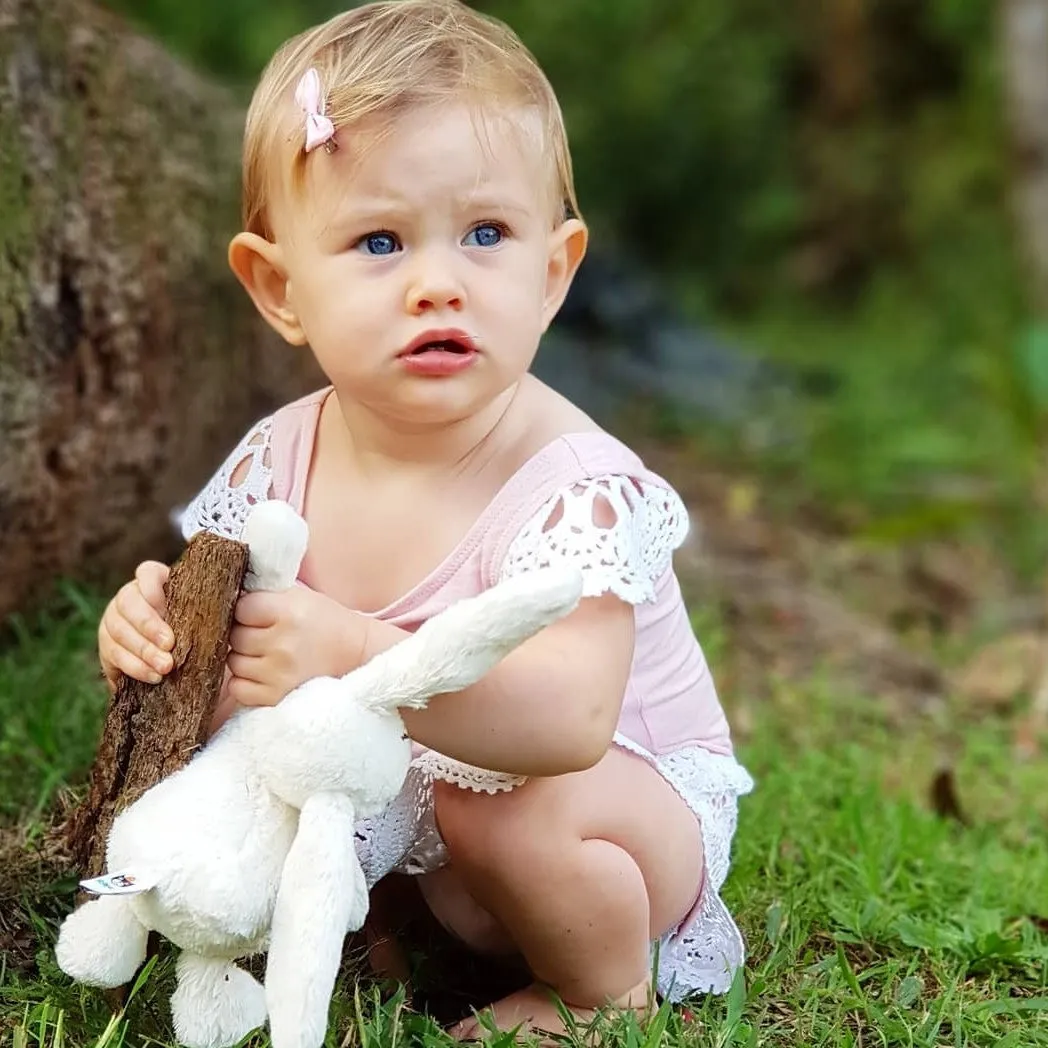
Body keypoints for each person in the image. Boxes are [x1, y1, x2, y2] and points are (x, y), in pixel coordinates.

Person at [96, 0, 754, 1038]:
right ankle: (393, 922)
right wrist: (153, 633)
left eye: (485, 234)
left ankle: (597, 990)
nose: (437, 284)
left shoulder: (574, 482)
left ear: (553, 272)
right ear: (280, 289)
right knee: (298, 762)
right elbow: (233, 653)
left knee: (506, 800)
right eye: (378, 241)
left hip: (611, 826)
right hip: (429, 820)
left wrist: (354, 646)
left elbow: (571, 726)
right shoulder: (280, 456)